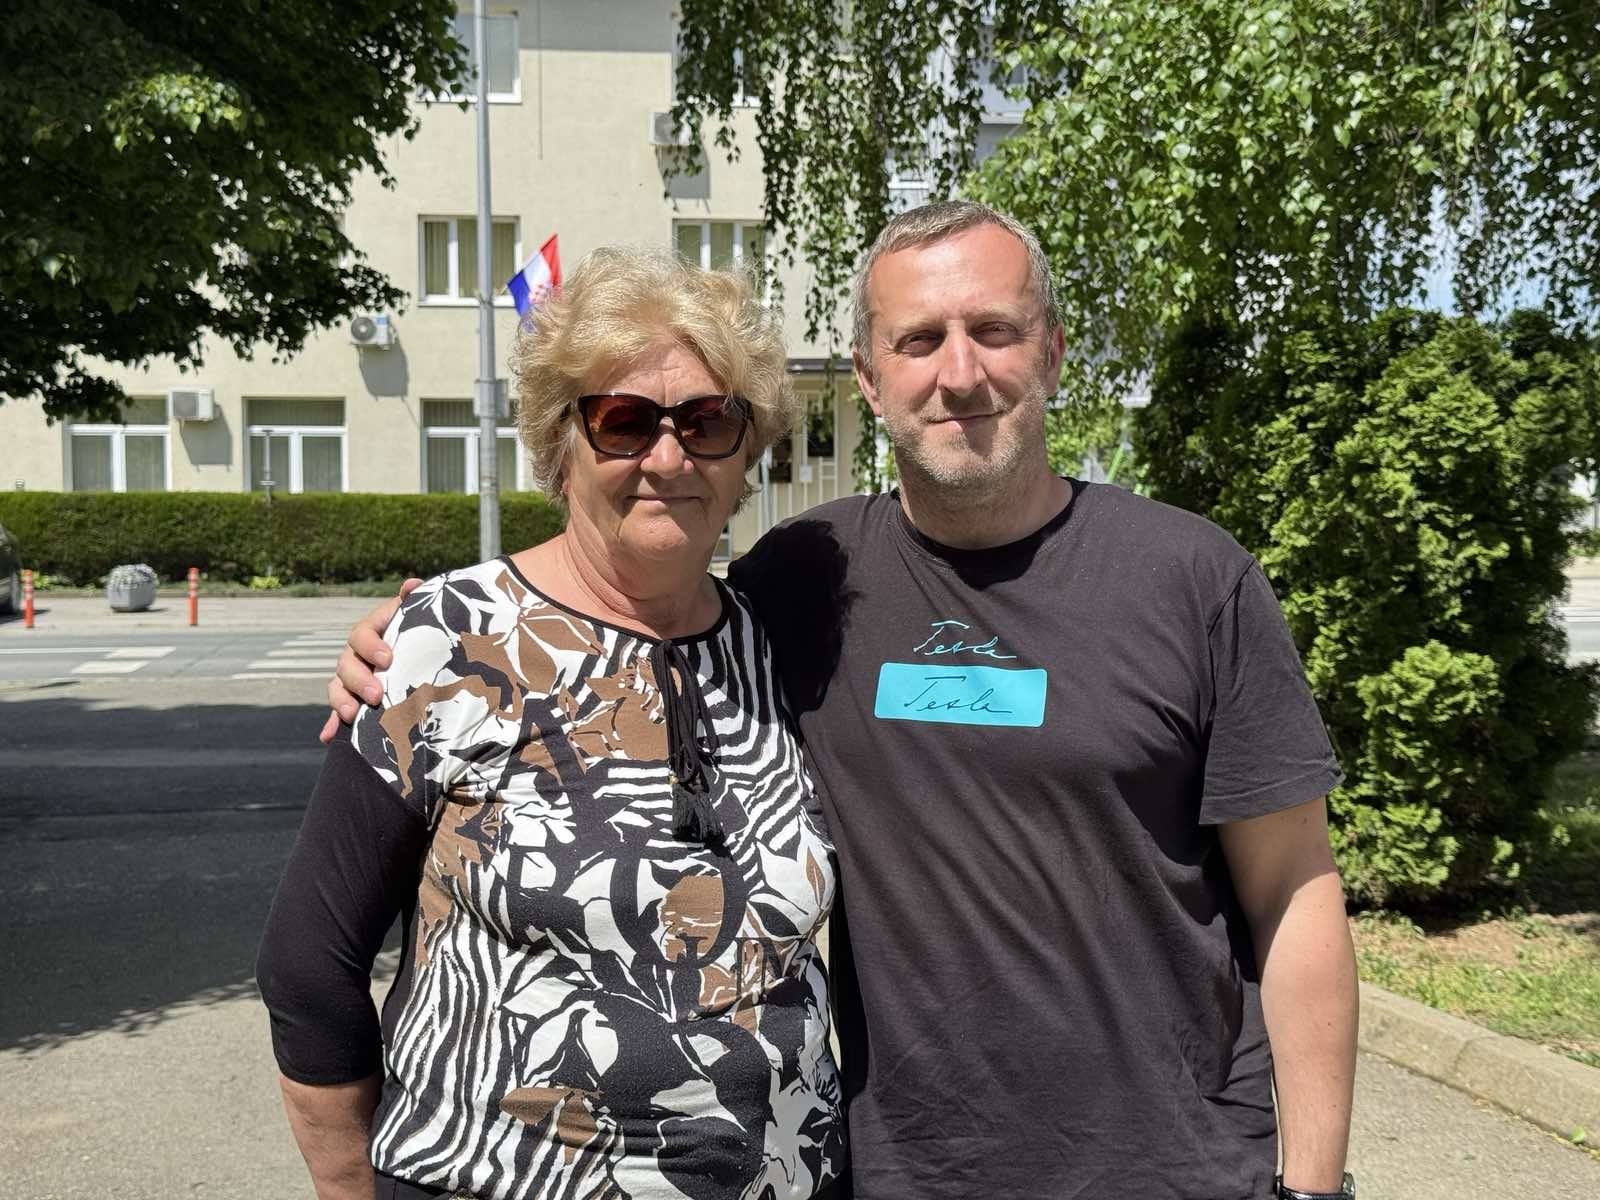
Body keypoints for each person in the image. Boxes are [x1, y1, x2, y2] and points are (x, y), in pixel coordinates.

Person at [328, 202, 1360, 1200]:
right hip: (896, 1170)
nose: (960, 372)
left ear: (1049, 352)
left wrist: (1315, 1187)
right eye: (919, 340)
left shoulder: (1193, 581)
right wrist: (419, 644)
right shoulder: (802, 581)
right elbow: (625, 614)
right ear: (869, 378)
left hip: (1170, 1170)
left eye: (994, 331)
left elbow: (1294, 892)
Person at [258, 247, 844, 1200]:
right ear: (560, 445)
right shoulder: (450, 641)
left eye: (707, 422)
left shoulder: (781, 642)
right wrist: (347, 1185)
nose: (668, 458)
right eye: (624, 422)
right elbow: (307, 967)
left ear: (747, 450)